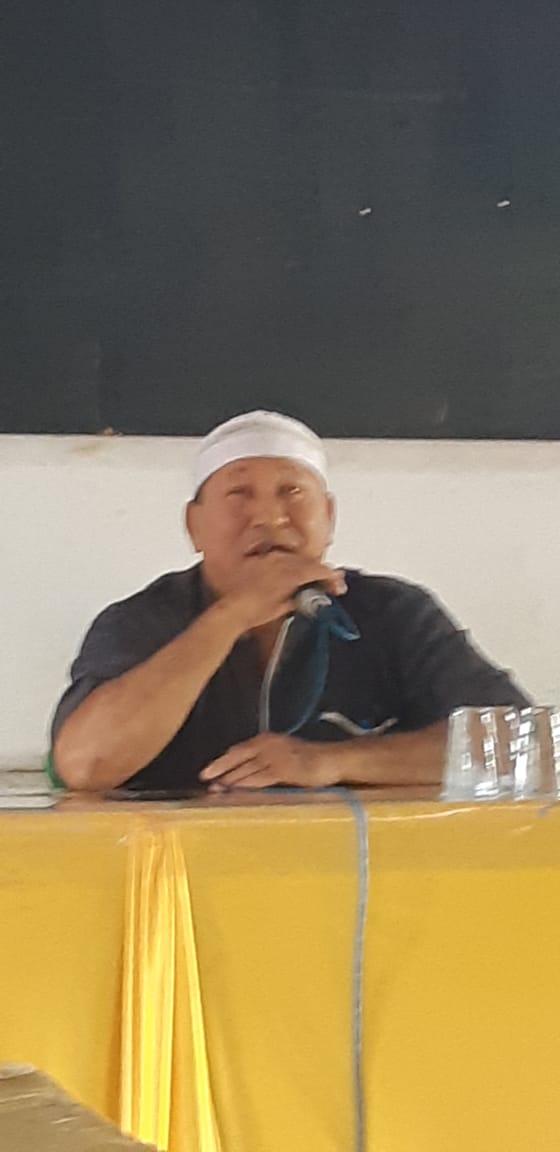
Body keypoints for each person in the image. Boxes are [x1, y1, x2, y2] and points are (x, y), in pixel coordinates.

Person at [51, 410, 529, 793]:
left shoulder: (392, 613)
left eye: (292, 492)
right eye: (239, 493)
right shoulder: (142, 621)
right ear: (194, 526)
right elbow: (84, 765)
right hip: (185, 876)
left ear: (328, 517)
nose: (268, 517)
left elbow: (524, 747)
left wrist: (331, 762)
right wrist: (232, 615)